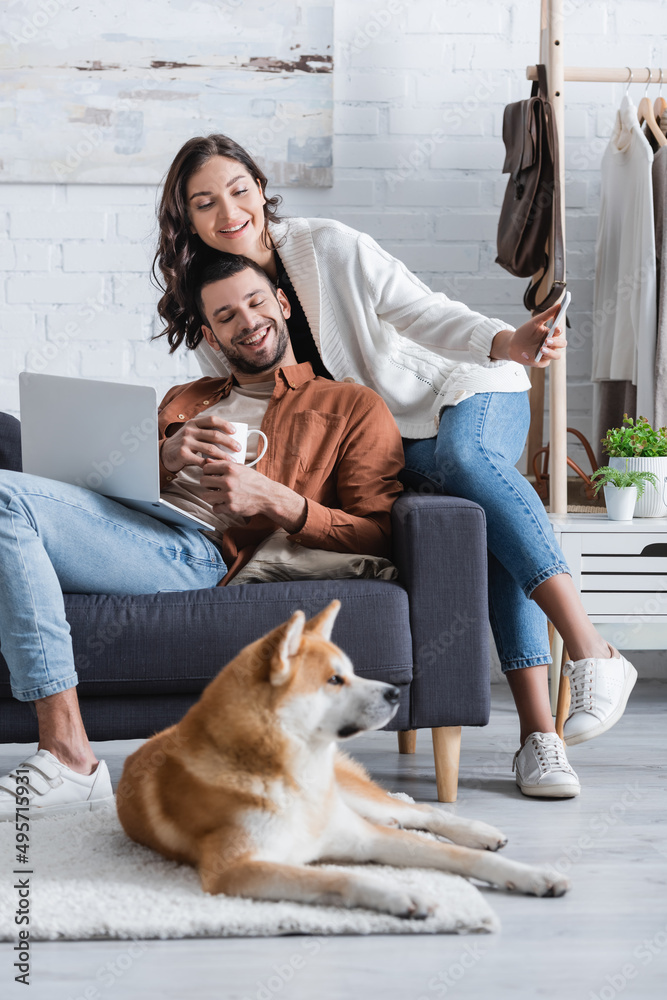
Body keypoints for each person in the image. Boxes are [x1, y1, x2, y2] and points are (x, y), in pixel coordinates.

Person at [152, 133, 639, 800]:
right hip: (394, 439)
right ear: (187, 218)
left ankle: (590, 651)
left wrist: (507, 341)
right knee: (469, 524)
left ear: (260, 188)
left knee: (465, 461)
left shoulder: (326, 245)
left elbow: (421, 310)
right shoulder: (220, 309)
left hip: (461, 389)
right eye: (205, 202)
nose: (228, 211)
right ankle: (540, 740)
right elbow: (263, 406)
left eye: (238, 190)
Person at [0, 256, 404, 820]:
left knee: (3, 497)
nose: (247, 321)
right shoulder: (185, 398)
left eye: (256, 302)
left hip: (194, 551)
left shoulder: (350, 404)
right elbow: (99, 490)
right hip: (127, 524)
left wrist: (274, 501)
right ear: (211, 333)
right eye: (226, 315)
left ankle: (69, 754)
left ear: (282, 305)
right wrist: (160, 459)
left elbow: (381, 533)